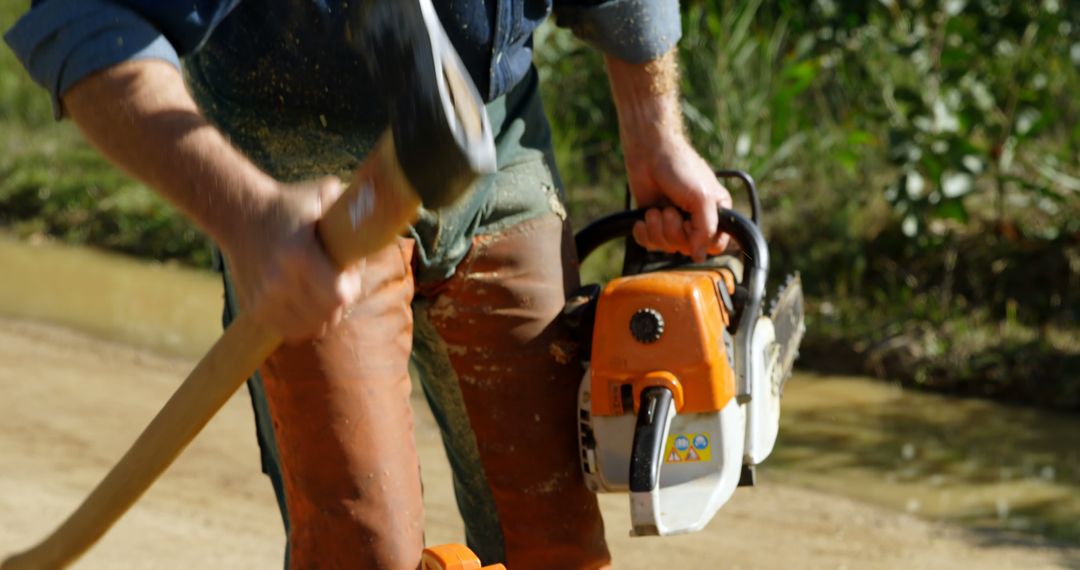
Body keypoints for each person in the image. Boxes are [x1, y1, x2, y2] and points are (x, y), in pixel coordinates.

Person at [5, 1, 732, 568]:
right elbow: (92, 23)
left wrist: (654, 131)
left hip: (496, 133)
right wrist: (247, 213)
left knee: (556, 543)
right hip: (300, 182)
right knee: (360, 551)